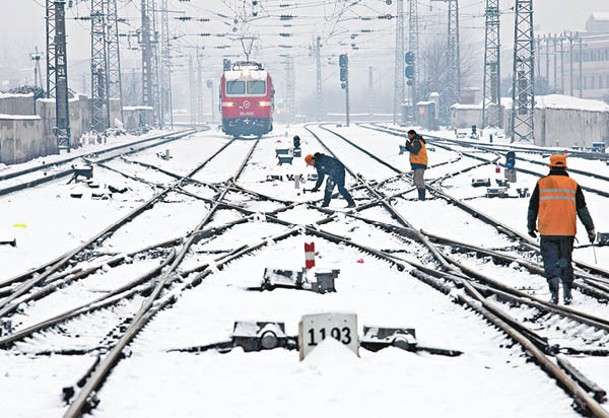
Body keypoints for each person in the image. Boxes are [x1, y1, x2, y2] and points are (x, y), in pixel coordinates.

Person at [527, 154, 596, 305]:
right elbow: (582, 209)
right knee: (565, 261)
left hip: (547, 231)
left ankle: (554, 295)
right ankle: (567, 293)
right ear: (565, 167)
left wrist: (531, 226)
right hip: (567, 231)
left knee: (550, 262)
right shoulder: (573, 184)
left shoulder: (542, 183)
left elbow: (533, 207)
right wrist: (590, 229)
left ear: (550, 167)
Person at [405, 129, 428, 200]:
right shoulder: (415, 141)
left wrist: (408, 145)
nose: (409, 137)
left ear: (413, 135)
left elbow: (415, 151)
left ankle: (422, 198)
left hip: (420, 163)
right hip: (417, 163)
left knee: (419, 181)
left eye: (409, 136)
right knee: (416, 180)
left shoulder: (417, 141)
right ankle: (420, 197)